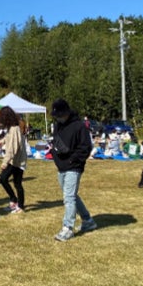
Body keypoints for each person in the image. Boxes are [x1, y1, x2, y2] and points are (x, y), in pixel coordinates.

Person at [50, 98, 94, 242]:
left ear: (66, 113)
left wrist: (72, 159)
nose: (58, 118)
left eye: (60, 115)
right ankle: (88, 220)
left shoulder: (79, 126)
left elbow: (86, 147)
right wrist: (57, 152)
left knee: (68, 198)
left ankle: (68, 227)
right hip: (61, 165)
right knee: (72, 195)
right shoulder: (58, 126)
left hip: (74, 166)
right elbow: (55, 141)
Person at [0, 106, 28, 214]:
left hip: (17, 160)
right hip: (13, 160)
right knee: (3, 179)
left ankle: (21, 205)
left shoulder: (15, 128)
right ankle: (14, 200)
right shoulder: (11, 128)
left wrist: (5, 162)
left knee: (16, 183)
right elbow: (8, 138)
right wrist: (2, 141)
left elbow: (13, 148)